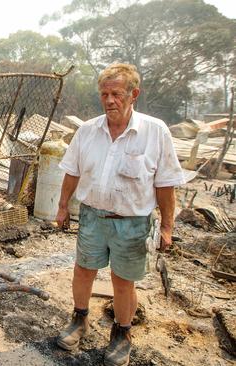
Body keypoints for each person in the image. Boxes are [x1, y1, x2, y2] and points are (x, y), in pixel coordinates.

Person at [54, 63, 185, 366]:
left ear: (133, 94)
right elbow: (71, 172)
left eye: (116, 93)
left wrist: (167, 227)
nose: (109, 100)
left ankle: (122, 334)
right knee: (83, 269)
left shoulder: (155, 131)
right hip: (92, 217)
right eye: (104, 94)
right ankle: (79, 320)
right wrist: (62, 207)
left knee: (123, 281)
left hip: (133, 223)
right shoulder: (87, 131)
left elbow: (166, 186)